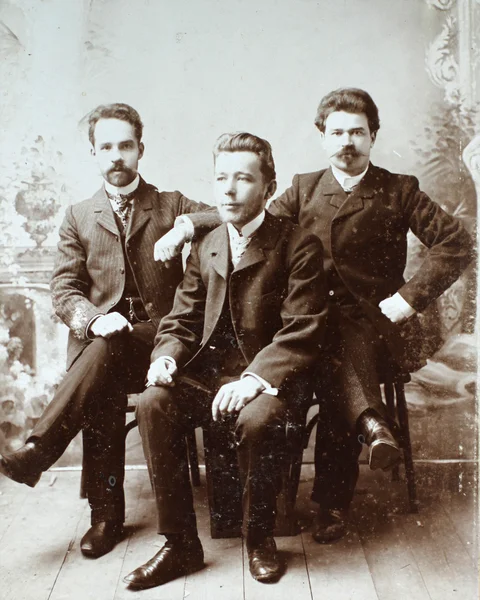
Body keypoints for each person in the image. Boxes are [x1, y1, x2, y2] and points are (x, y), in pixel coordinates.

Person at [155, 88, 473, 545]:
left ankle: (333, 503)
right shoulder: (305, 187)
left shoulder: (398, 189)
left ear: (373, 137)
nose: (347, 142)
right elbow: (252, 211)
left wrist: (408, 299)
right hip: (310, 323)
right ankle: (370, 427)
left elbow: (456, 242)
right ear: (322, 137)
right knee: (327, 344)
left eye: (357, 133)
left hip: (377, 326)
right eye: (337, 132)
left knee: (338, 346)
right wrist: (189, 224)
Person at [0, 103, 216, 558]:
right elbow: (63, 287)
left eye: (125, 146)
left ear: (141, 150)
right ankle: (105, 517)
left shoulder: (170, 202)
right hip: (106, 343)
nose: (117, 155)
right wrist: (95, 317)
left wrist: (182, 229)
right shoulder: (78, 215)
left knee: (101, 357)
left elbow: (223, 213)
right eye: (107, 147)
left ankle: (39, 452)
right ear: (94, 154)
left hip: (163, 340)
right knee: (102, 357)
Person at [123, 132, 327, 590]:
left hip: (269, 384)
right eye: (221, 179)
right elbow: (180, 318)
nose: (229, 190)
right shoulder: (208, 243)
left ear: (268, 188)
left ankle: (259, 540)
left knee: (257, 419)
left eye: (243, 179)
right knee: (154, 402)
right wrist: (166, 358)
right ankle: (180, 545)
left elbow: (302, 330)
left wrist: (254, 378)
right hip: (210, 380)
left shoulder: (298, 245)